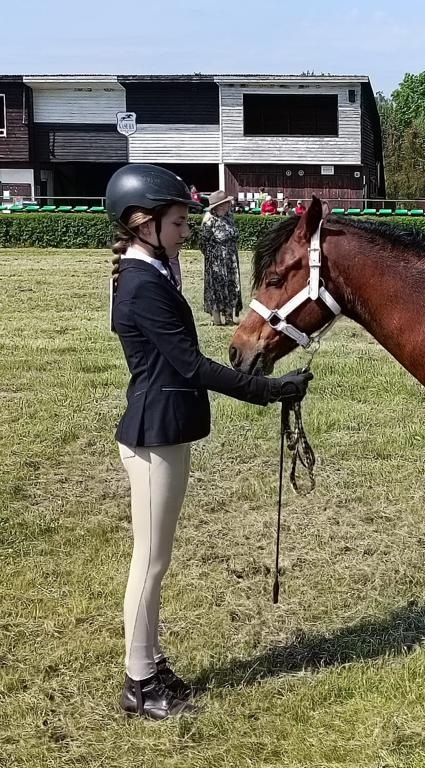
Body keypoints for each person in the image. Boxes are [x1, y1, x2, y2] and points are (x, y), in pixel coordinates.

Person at [106, 164, 313, 720]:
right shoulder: (144, 282)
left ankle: (148, 660)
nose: (185, 231)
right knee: (150, 562)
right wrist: (269, 389)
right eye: (177, 222)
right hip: (156, 431)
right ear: (142, 222)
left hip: (166, 426)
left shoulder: (149, 270)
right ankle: (139, 681)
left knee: (157, 558)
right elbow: (192, 366)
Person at [199, 190, 242, 326]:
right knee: (216, 288)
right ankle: (216, 319)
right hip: (216, 261)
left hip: (231, 260)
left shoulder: (230, 218)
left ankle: (229, 317)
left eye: (227, 204)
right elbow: (202, 243)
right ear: (215, 207)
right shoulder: (209, 221)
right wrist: (213, 257)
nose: (226, 206)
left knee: (231, 285)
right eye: (223, 205)